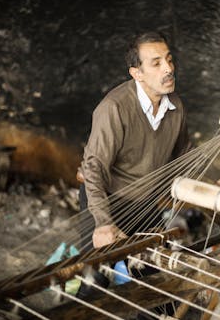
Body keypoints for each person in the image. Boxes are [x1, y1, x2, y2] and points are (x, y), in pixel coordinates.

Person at [78, 31, 190, 250]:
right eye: (156, 64)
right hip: (108, 199)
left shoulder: (175, 105)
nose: (168, 68)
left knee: (149, 269)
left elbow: (185, 150)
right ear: (137, 73)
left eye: (169, 59)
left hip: (145, 202)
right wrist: (103, 223)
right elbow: (94, 167)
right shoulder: (114, 108)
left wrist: (219, 180)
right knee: (97, 274)